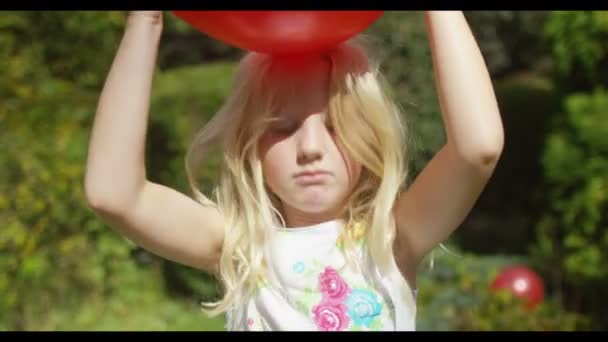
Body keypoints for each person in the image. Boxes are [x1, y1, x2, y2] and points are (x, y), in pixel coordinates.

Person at [84, 10, 504, 331]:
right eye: (281, 128)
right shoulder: (241, 248)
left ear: (370, 139)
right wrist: (145, 21)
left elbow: (478, 148)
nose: (310, 148)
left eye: (335, 127)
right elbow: (113, 193)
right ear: (251, 148)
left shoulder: (390, 241)